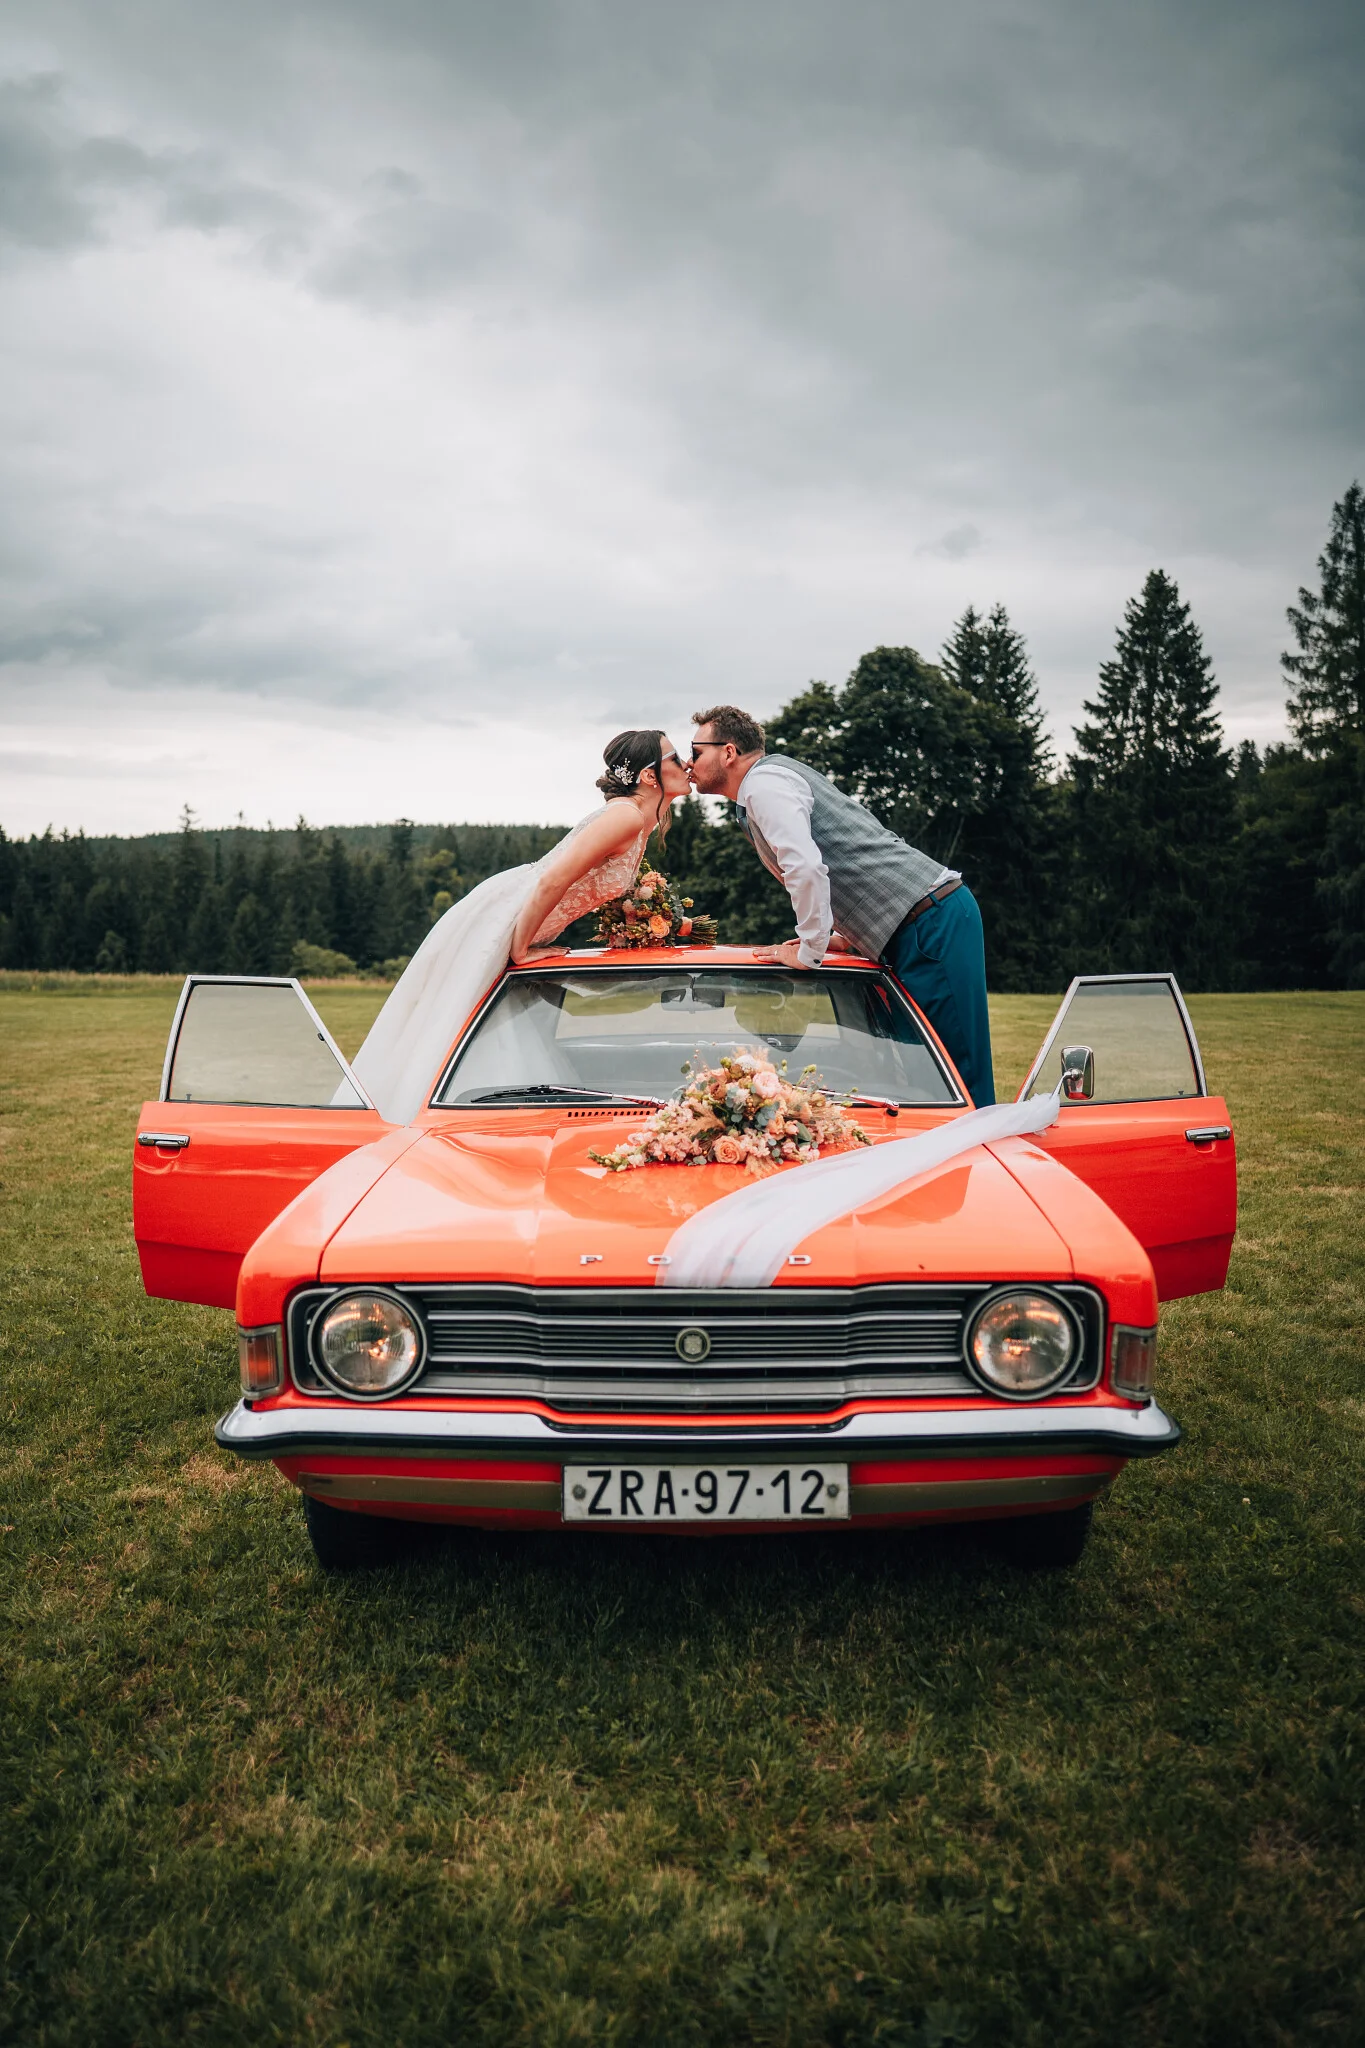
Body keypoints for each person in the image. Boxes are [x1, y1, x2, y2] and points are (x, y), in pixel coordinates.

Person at [351, 731, 691, 1122]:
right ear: (648, 776)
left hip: (527, 920)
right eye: (675, 757)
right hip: (507, 917)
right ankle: (417, 1116)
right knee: (452, 1021)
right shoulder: (625, 816)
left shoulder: (638, 819)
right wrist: (520, 948)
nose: (686, 765)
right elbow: (552, 880)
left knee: (480, 1026)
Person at [687, 703, 995, 1106]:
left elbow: (805, 866)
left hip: (931, 919)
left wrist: (809, 949)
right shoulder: (763, 786)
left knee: (956, 1078)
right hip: (917, 921)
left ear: (728, 752)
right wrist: (845, 937)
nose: (689, 763)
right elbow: (842, 856)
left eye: (696, 752)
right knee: (924, 1076)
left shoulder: (764, 784)